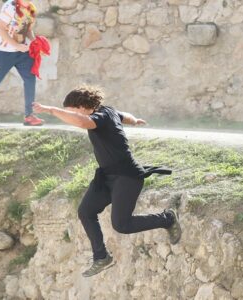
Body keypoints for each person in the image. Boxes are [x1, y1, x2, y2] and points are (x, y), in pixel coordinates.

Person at [32, 85, 182, 277]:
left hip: (127, 176)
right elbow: (123, 115)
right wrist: (134, 120)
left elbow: (83, 122)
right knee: (86, 211)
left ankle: (167, 218)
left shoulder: (100, 117)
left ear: (84, 106)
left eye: (72, 111)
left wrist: (51, 110)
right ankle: (101, 257)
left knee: (122, 225)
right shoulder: (109, 112)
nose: (71, 116)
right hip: (107, 176)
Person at [0, 0, 44, 126]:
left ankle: (29, 116)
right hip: (3, 52)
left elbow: (27, 30)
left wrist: (34, 41)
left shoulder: (31, 9)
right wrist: (16, 45)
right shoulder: (10, 6)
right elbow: (0, 28)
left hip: (23, 52)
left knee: (30, 79)